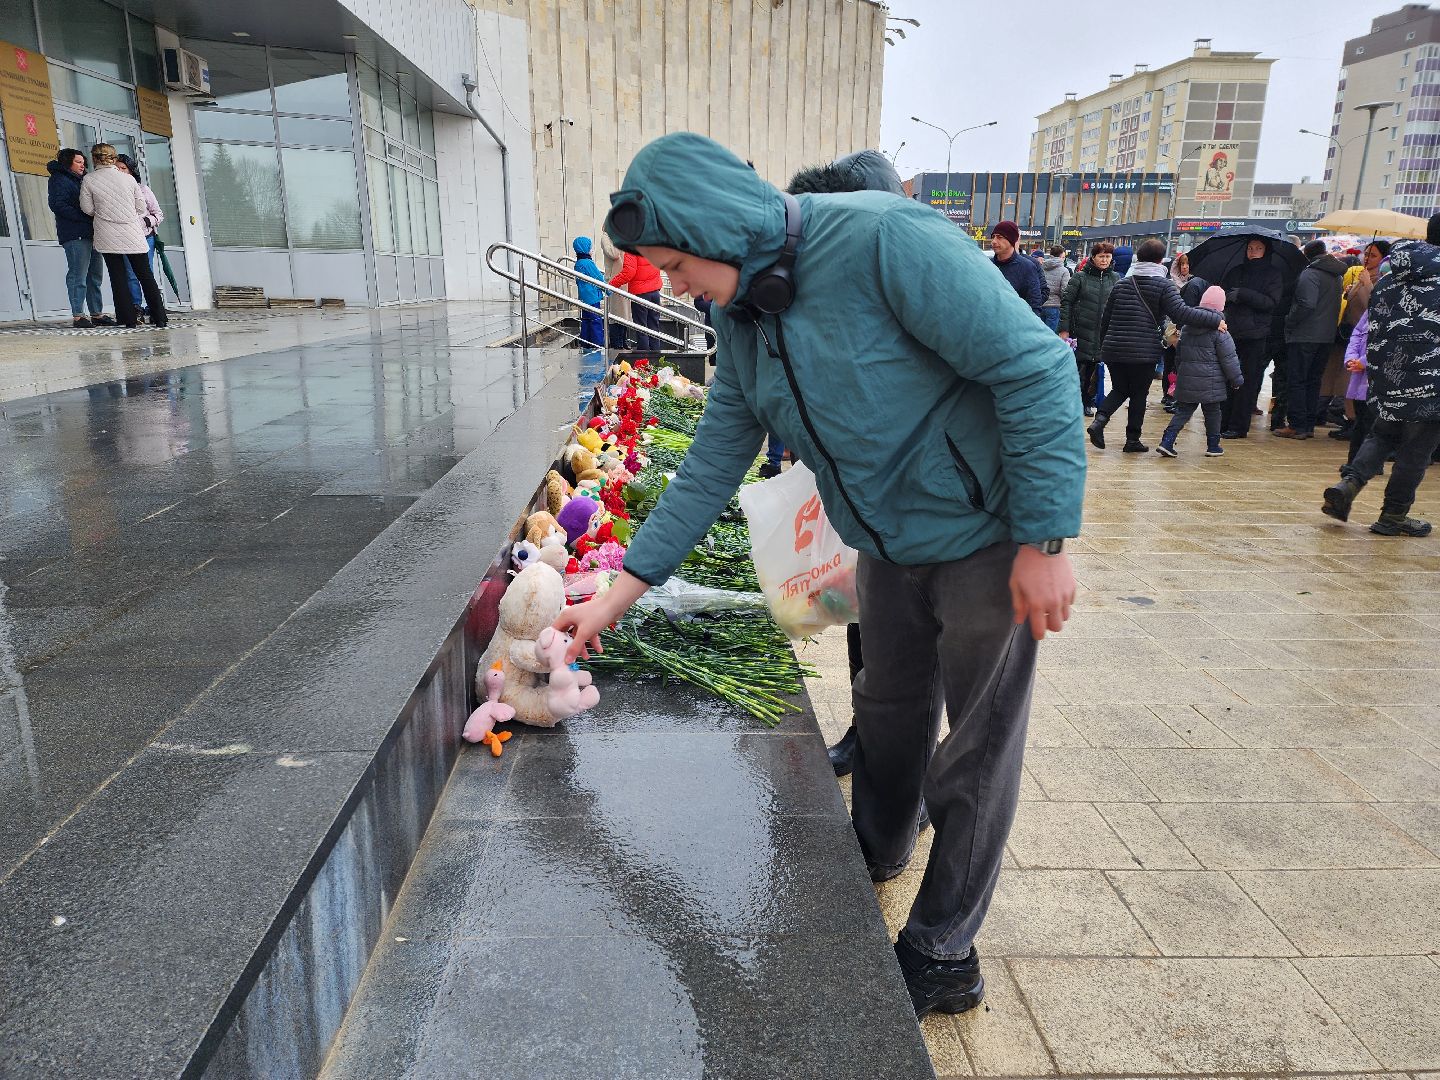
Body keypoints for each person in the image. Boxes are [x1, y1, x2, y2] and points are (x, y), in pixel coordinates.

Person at [555, 132, 1085, 1017]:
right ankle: (876, 850)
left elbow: (1033, 367)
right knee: (884, 707)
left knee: (976, 749)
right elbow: (717, 456)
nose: (674, 285)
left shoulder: (888, 241)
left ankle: (945, 949)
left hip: (989, 538)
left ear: (720, 228)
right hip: (885, 542)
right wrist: (616, 594)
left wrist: (1046, 541)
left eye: (676, 264)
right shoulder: (741, 311)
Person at [1322, 225, 1440, 535]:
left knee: (1382, 434)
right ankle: (1393, 515)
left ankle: (1349, 484)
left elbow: (1373, 319)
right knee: (1416, 450)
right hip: (1432, 380)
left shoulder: (1390, 276)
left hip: (1388, 374)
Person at [1087, 238, 1224, 453]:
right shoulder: (1163, 285)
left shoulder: (1122, 283)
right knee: (1139, 393)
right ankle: (1132, 440)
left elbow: (1106, 318)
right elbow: (1181, 313)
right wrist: (1214, 319)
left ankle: (1099, 420)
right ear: (1161, 260)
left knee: (1121, 388)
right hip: (1143, 351)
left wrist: (1105, 345)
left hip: (1114, 348)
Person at [79, 144, 166, 329]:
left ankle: (128, 319)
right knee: (145, 274)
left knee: (117, 277)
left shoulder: (89, 179)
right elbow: (141, 208)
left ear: (94, 158)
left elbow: (87, 209)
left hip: (107, 233)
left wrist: (103, 212)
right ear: (113, 158)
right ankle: (160, 317)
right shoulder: (128, 179)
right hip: (132, 232)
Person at [1155, 286, 1242, 459]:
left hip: (1187, 380)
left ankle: (1167, 442)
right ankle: (1213, 446)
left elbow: (1179, 355)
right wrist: (1236, 379)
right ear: (1221, 307)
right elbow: (1229, 358)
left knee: (1183, 412)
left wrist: (1180, 373)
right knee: (1213, 413)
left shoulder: (1187, 327)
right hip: (1211, 383)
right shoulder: (1220, 330)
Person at [1275, 240, 1346, 439]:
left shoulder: (1310, 274)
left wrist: (1289, 321)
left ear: (1307, 255)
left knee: (1297, 379)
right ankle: (1308, 424)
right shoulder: (1336, 276)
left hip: (1304, 335)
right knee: (1314, 381)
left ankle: (1296, 424)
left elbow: (1306, 304)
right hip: (1326, 336)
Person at [1216, 237, 1283, 439]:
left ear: (1266, 251)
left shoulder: (1273, 274)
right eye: (1250, 248)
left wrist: (1244, 294)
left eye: (1258, 248)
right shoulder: (1236, 271)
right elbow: (1223, 293)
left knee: (1247, 379)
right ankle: (1222, 421)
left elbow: (1271, 302)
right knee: (1226, 377)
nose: (1253, 251)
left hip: (1255, 333)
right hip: (1231, 330)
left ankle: (1238, 425)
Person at [1329, 240, 1391, 440]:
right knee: (1347, 383)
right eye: (1367, 254)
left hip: (1369, 341)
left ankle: (1356, 422)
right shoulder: (1360, 274)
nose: (1367, 258)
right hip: (1353, 335)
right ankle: (1351, 420)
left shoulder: (1381, 280)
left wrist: (1367, 284)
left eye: (1373, 255)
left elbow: (1372, 305)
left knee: (1359, 386)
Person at [46, 148, 113, 328]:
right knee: (78, 275)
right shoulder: (59, 179)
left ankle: (97, 314)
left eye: (83, 162)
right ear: (67, 162)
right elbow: (57, 205)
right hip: (75, 234)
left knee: (95, 276)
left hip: (93, 233)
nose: (82, 164)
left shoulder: (84, 179)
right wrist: (85, 217)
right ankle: (78, 316)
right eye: (78, 162)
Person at [1059, 241, 1118, 417]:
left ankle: (1087, 400)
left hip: (1103, 332)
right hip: (1080, 331)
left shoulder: (1115, 279)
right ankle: (1072, 401)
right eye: (1101, 256)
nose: (1105, 260)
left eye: (1108, 256)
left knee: (1094, 370)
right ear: (1093, 257)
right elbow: (1066, 303)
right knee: (1077, 369)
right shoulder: (1080, 278)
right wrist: (1064, 329)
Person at [114, 154, 164, 322]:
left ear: (131, 171)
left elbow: (158, 214)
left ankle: (153, 307)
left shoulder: (143, 189)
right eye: (117, 168)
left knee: (145, 273)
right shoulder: (112, 191)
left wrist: (146, 222)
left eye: (123, 168)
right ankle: (136, 307)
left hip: (145, 236)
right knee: (130, 274)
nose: (120, 171)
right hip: (125, 238)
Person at [609, 247, 664, 351]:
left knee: (641, 327)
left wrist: (612, 284)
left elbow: (629, 272)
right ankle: (656, 356)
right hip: (655, 292)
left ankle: (643, 358)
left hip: (641, 294)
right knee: (654, 326)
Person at [989, 221, 1044, 316]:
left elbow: (1034, 304)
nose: (994, 241)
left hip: (1015, 326)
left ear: (1011, 240)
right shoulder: (988, 265)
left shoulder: (1027, 267)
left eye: (999, 237)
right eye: (993, 237)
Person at [571, 236, 607, 348]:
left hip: (584, 297)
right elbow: (598, 277)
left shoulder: (578, 263)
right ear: (585, 249)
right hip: (592, 297)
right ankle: (597, 343)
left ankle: (586, 343)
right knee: (595, 321)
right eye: (590, 248)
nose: (592, 250)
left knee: (586, 321)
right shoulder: (588, 263)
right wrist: (608, 290)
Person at [1039, 245, 1071, 332]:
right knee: (1051, 335)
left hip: (1040, 304)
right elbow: (1064, 290)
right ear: (1061, 257)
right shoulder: (1064, 271)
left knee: (1040, 334)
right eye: (1063, 257)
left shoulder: (1042, 267)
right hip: (1054, 306)